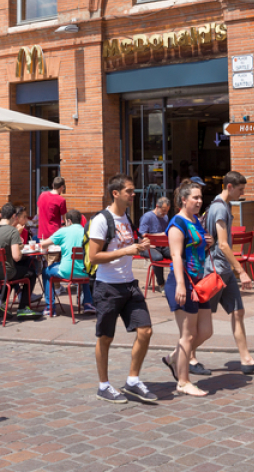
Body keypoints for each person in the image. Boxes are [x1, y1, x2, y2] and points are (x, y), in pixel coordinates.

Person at [87, 173, 156, 404]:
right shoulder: (101, 220)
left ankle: (133, 381)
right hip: (107, 286)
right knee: (105, 338)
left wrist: (141, 245)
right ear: (116, 193)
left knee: (145, 330)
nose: (133, 194)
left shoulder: (127, 217)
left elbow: (129, 245)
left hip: (129, 285)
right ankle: (103, 385)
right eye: (129, 191)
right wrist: (125, 251)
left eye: (133, 191)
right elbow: (94, 256)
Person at [196, 171, 254, 375]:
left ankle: (246, 359)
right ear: (229, 187)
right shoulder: (219, 208)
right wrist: (242, 271)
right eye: (240, 190)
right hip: (216, 272)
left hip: (225, 271)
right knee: (204, 324)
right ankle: (183, 356)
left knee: (238, 312)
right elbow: (222, 244)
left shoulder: (224, 206)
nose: (242, 193)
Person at [160, 181, 216, 396]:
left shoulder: (195, 221)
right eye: (195, 198)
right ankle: (183, 381)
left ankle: (175, 357)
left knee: (205, 331)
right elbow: (175, 255)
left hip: (199, 284)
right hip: (183, 283)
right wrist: (181, 286)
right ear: (183, 199)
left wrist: (206, 242)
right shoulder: (177, 223)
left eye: (201, 198)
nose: (199, 201)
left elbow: (194, 247)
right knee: (188, 335)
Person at [0, 202, 38, 312]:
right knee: (31, 273)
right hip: (5, 272)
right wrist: (21, 250)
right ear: (14, 216)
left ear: (0, 215)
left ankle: (1, 303)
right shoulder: (13, 231)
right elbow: (16, 257)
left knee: (15, 272)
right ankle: (23, 308)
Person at [40, 209, 95, 315]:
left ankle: (50, 307)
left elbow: (44, 244)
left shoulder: (63, 231)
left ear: (69, 221)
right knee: (82, 268)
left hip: (67, 272)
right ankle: (88, 303)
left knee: (46, 272)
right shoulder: (87, 231)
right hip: (86, 272)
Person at [138, 196, 171, 287]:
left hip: (162, 246)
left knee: (177, 253)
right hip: (147, 246)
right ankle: (161, 284)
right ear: (157, 206)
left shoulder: (165, 217)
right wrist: (159, 236)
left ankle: (174, 281)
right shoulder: (147, 217)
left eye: (167, 210)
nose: (165, 213)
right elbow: (142, 235)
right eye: (164, 210)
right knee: (157, 257)